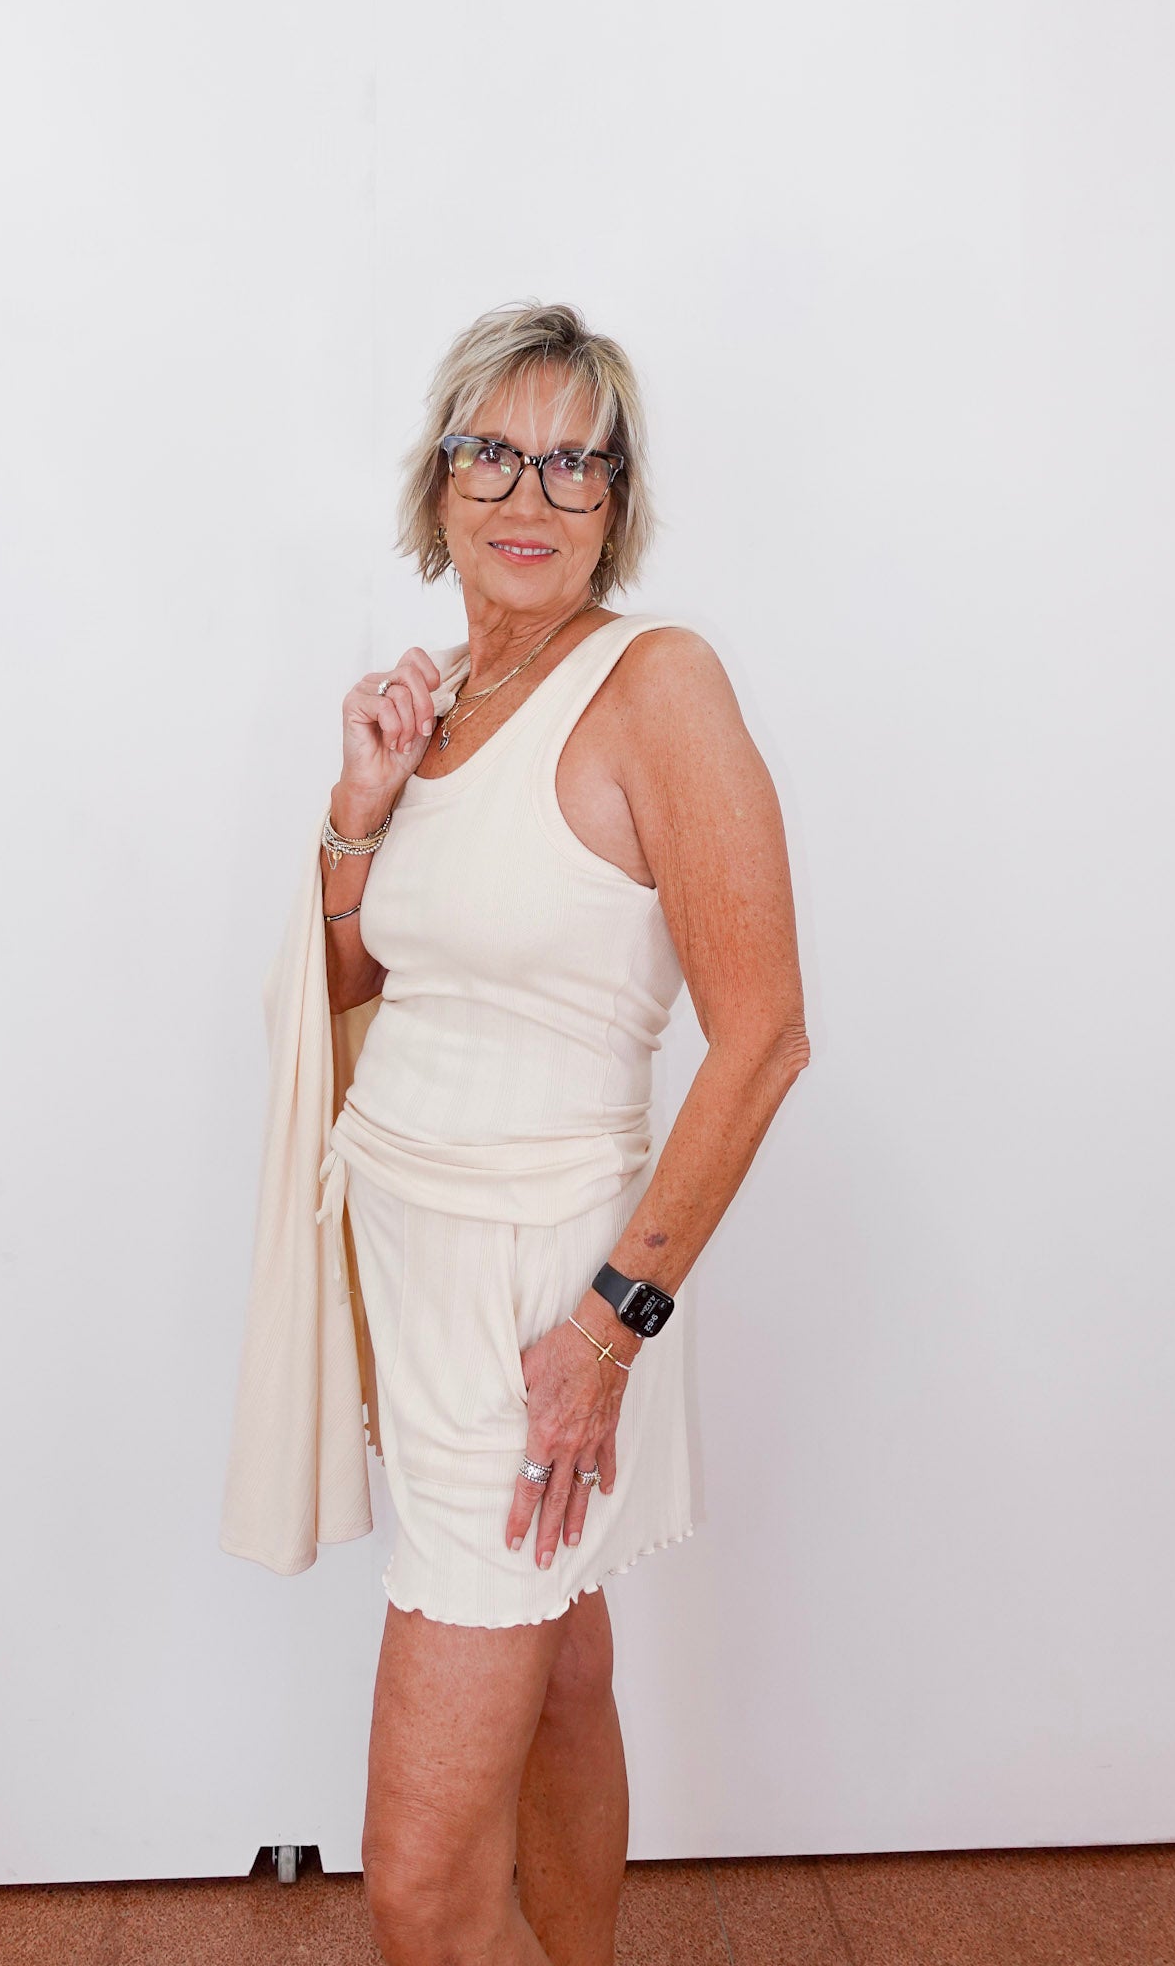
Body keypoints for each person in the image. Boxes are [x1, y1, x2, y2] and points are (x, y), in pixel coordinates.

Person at [319, 300, 809, 1966]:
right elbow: (364, 988)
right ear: (439, 480)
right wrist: (359, 816)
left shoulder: (657, 687)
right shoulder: (444, 694)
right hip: (418, 1259)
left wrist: (608, 1330)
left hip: (543, 1300)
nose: (532, 491)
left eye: (577, 464)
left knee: (412, 1881)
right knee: (563, 1670)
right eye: (495, 451)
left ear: (619, 501)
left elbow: (764, 1041)